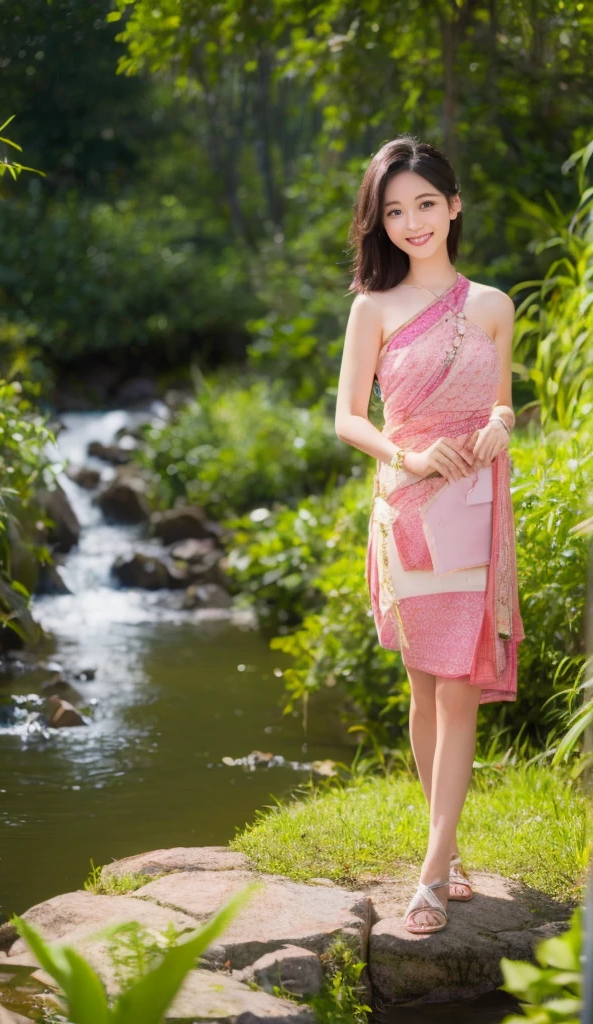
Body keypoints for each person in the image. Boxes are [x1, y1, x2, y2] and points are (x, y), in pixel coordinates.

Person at [334, 135, 525, 935]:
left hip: (476, 506)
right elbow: (347, 418)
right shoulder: (372, 308)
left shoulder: (491, 305)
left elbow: (503, 405)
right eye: (395, 211)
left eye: (425, 205)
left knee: (458, 686)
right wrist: (407, 453)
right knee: (424, 684)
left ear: (454, 206)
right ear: (380, 223)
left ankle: (432, 875)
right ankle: (447, 850)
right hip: (409, 508)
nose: (413, 222)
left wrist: (501, 425)